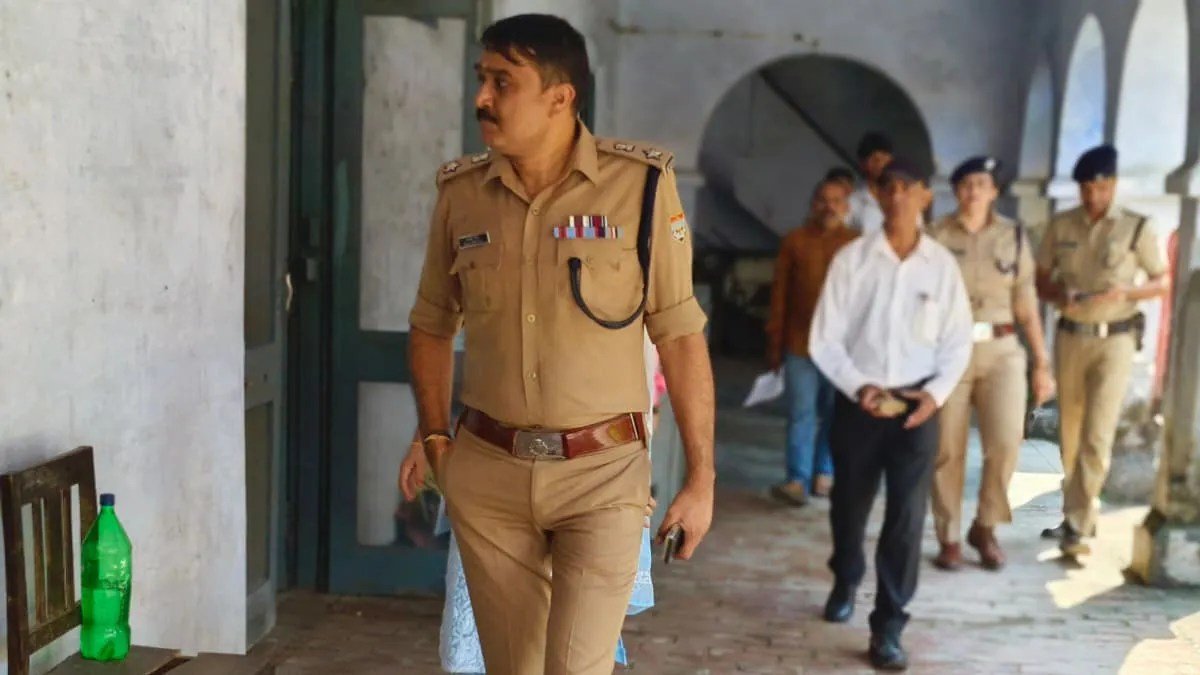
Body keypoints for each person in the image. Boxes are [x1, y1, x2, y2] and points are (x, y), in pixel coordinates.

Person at [406, 14, 715, 675]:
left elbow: (680, 332)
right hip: (489, 474)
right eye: (481, 79)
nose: (481, 98)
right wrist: (434, 439)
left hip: (602, 476)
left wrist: (701, 477)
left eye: (502, 82)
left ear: (560, 96)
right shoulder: (462, 194)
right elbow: (432, 322)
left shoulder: (640, 187)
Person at [809, 157, 973, 670]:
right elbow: (825, 339)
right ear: (877, 196)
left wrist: (936, 394)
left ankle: (889, 625)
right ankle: (846, 576)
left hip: (916, 409)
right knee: (849, 507)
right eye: (889, 187)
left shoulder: (941, 266)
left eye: (909, 187)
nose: (898, 195)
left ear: (926, 195)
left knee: (906, 518)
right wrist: (859, 386)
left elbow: (957, 342)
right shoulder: (852, 260)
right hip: (859, 402)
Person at [1035, 144, 1169, 557]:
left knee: (1098, 432)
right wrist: (1061, 294)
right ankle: (1074, 513)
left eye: (1100, 187)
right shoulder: (1061, 225)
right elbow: (1040, 280)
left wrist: (1127, 291)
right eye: (1086, 188)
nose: (1093, 195)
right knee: (1069, 432)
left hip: (1116, 339)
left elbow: (1162, 282)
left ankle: (1078, 524)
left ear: (1112, 184)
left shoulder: (1136, 227)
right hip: (1071, 335)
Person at [927, 156, 1056, 571]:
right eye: (966, 184)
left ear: (994, 191)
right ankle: (948, 536)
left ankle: (985, 526)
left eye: (982, 184)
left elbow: (1027, 304)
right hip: (949, 350)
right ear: (956, 190)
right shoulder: (936, 235)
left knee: (1005, 442)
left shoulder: (1013, 236)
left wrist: (1041, 362)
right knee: (947, 448)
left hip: (1002, 351)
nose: (973, 192)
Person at [765, 177, 858, 505]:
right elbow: (780, 294)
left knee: (836, 413)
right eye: (823, 200)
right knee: (801, 413)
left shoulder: (856, 245)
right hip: (799, 341)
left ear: (846, 207)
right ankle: (796, 479)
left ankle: (824, 472)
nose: (829, 207)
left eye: (836, 201)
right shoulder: (795, 241)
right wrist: (774, 342)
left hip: (841, 347)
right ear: (813, 204)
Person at [847, 132, 894, 234]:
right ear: (862, 164)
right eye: (875, 160)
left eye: (885, 160)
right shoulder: (852, 201)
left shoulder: (903, 198)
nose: (881, 165)